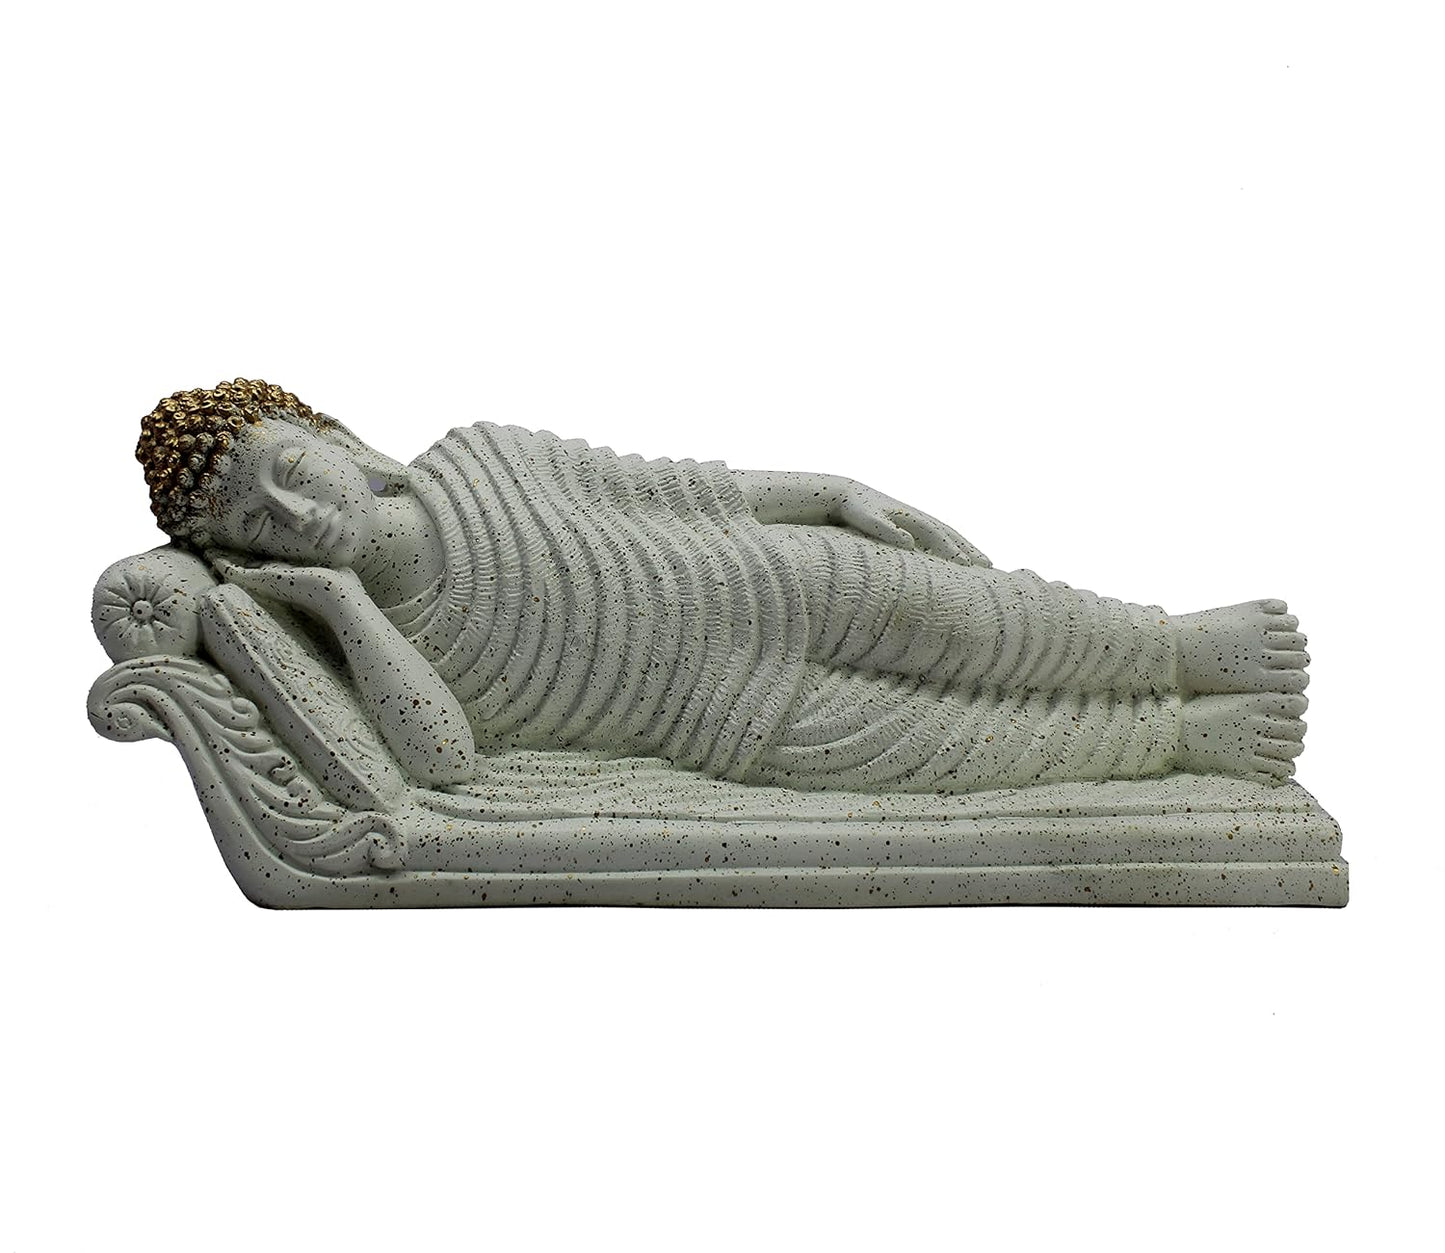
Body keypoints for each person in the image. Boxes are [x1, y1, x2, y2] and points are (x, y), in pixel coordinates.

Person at [136, 379, 1309, 794]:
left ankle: (1173, 648)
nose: (297, 511)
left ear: (330, 435)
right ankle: (1179, 739)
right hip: (733, 716)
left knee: (980, 618)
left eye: (290, 471)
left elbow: (669, 487)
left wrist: (829, 490)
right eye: (258, 523)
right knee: (957, 745)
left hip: (766, 577)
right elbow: (440, 763)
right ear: (248, 558)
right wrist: (336, 604)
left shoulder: (480, 456)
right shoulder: (379, 644)